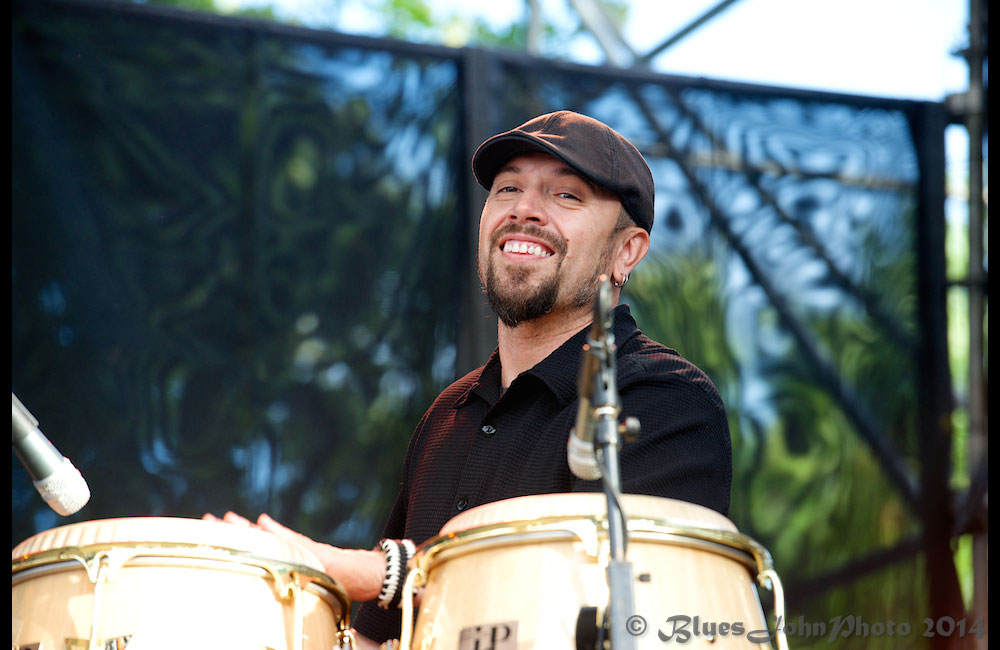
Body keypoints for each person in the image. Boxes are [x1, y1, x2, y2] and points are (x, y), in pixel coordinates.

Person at [209, 111, 731, 649]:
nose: (524, 209)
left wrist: (367, 571)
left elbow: (600, 601)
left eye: (566, 195)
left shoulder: (664, 398)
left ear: (627, 251)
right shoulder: (449, 413)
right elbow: (380, 639)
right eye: (508, 189)